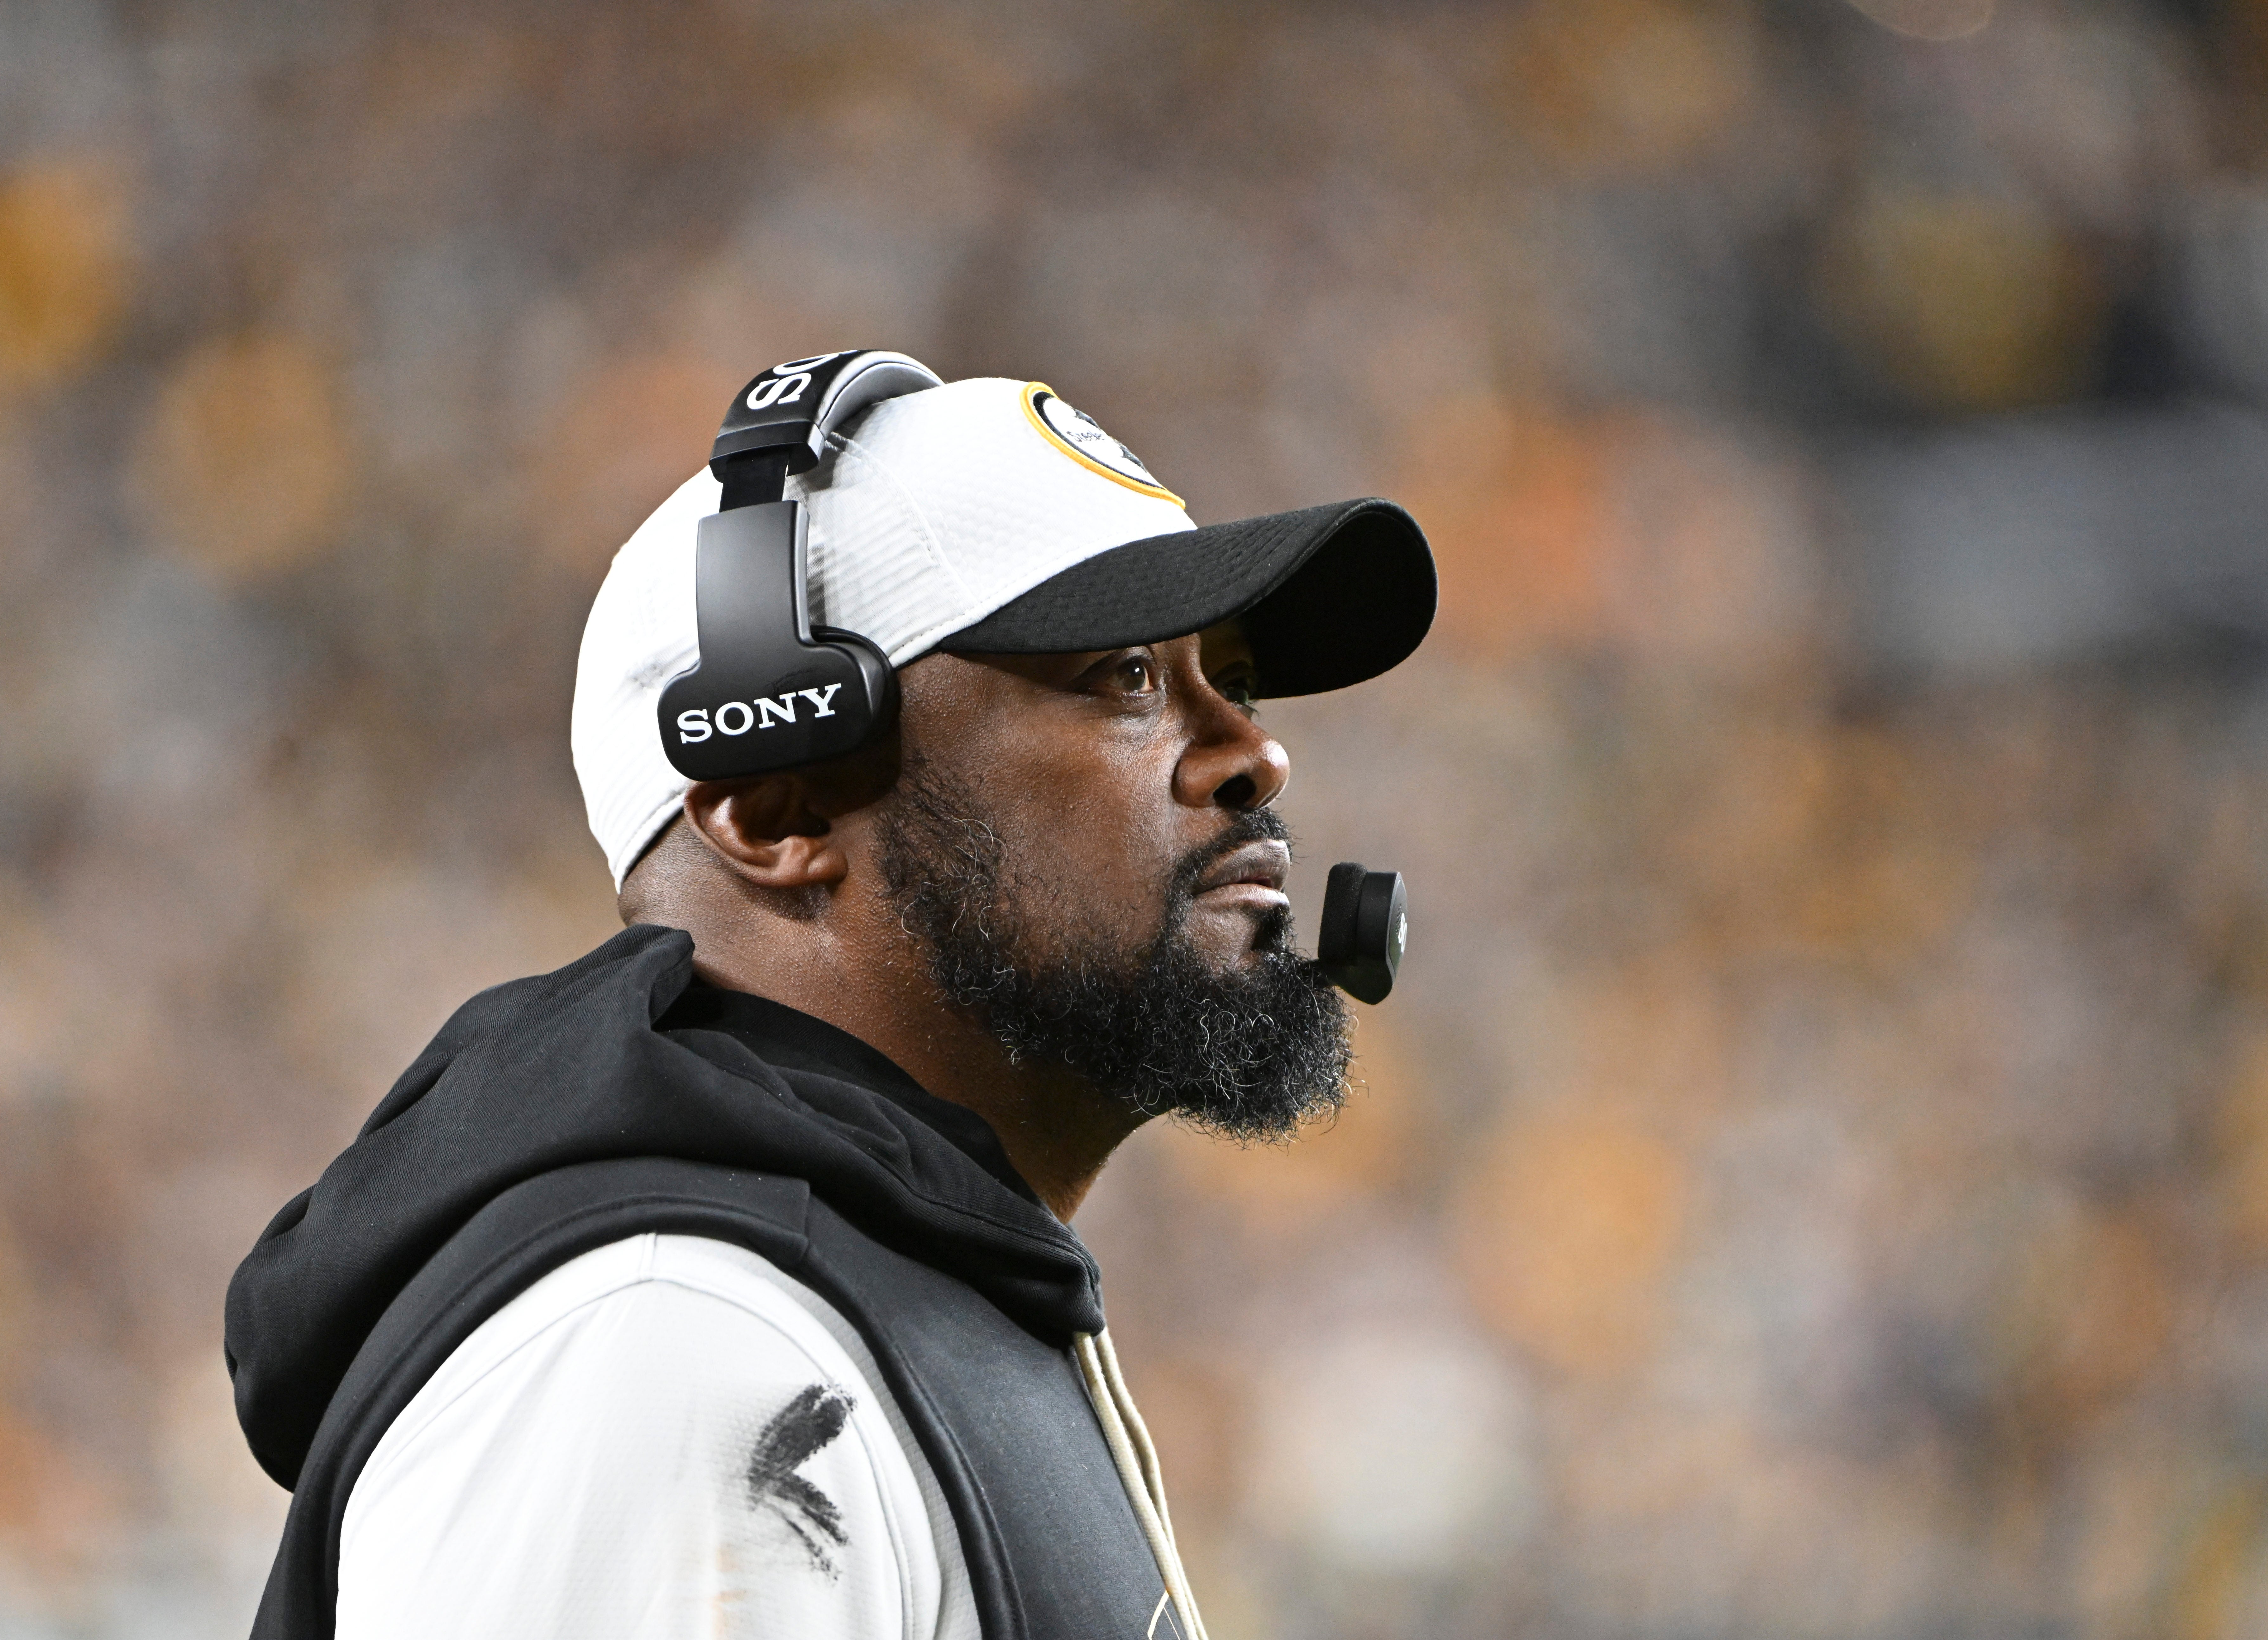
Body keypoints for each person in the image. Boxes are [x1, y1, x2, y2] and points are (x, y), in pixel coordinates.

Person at [224, 362, 1436, 1640]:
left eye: (1230, 680)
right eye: (1127, 676)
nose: (1257, 752)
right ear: (776, 809)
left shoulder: (880, 1285)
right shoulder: (679, 1344)